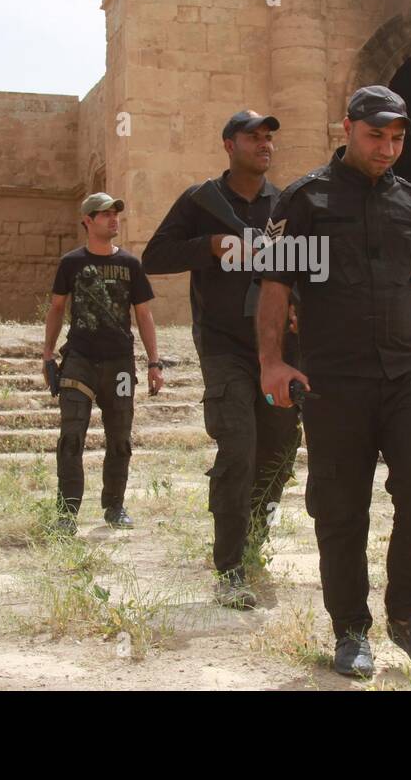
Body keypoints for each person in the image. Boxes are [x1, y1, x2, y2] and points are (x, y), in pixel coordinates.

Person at [255, 85, 411, 678]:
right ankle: (351, 631)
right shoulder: (304, 200)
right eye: (376, 136)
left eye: (397, 139)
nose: (387, 149)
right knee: (341, 507)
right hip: (333, 378)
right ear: (346, 128)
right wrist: (272, 363)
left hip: (404, 374)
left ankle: (408, 617)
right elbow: (273, 286)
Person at [143, 110, 302, 610]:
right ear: (228, 145)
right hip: (223, 346)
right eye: (253, 137)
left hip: (278, 351)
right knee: (238, 448)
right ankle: (231, 566)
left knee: (278, 452)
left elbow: (311, 263)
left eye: (268, 137)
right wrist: (210, 246)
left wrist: (301, 305)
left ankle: (255, 539)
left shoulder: (288, 204)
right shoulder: (201, 201)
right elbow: (155, 257)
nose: (264, 144)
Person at [42, 192, 163, 533]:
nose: (113, 219)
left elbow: (143, 314)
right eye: (105, 214)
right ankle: (66, 514)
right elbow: (56, 309)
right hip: (79, 359)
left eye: (115, 214)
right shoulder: (71, 263)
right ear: (88, 221)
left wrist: (155, 363)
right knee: (71, 436)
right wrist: (48, 354)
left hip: (120, 363)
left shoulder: (130, 264)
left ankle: (115, 507)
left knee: (120, 438)